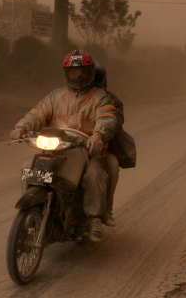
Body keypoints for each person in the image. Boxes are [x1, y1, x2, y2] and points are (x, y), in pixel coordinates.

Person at [10, 49, 119, 242]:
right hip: (56, 146)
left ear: (91, 73)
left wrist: (98, 135)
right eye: (73, 72)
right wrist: (21, 127)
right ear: (66, 73)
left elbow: (108, 118)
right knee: (27, 166)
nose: (78, 76)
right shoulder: (55, 96)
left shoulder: (101, 97)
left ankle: (94, 218)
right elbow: (36, 114)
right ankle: (32, 210)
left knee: (94, 173)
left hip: (86, 148)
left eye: (83, 72)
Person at [92, 61, 124, 228]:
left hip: (98, 149)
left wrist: (100, 132)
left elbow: (114, 123)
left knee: (112, 164)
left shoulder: (112, 101)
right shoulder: (71, 97)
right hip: (70, 147)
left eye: (96, 78)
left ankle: (106, 210)